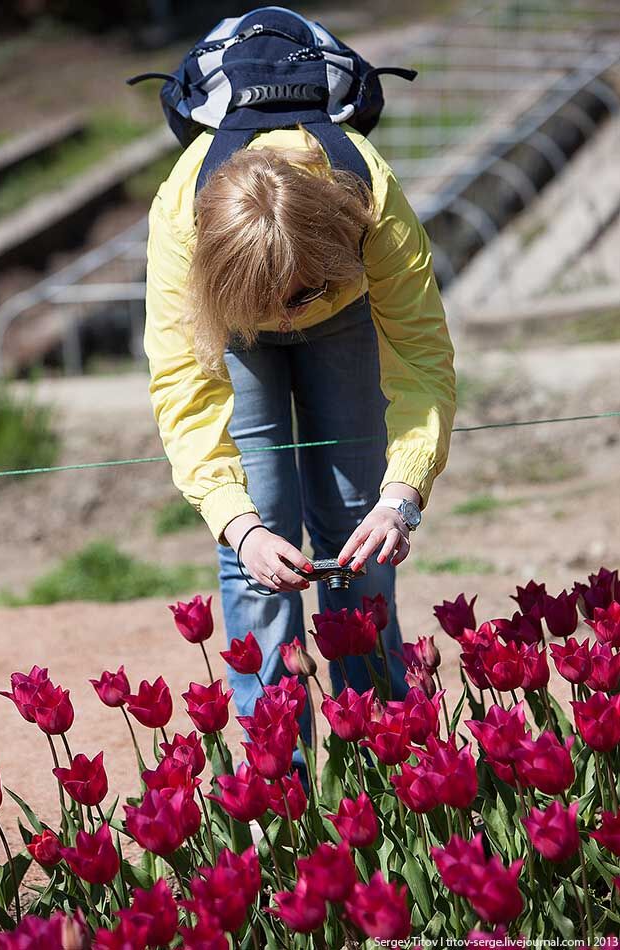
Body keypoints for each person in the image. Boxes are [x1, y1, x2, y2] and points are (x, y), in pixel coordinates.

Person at [143, 125, 456, 725]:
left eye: (296, 299)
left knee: (358, 520)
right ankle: (277, 781)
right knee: (259, 533)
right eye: (273, 307)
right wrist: (237, 524)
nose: (285, 322)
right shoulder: (181, 226)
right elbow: (184, 389)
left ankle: (381, 747)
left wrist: (402, 497)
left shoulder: (371, 204)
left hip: (343, 305)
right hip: (230, 318)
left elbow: (422, 359)